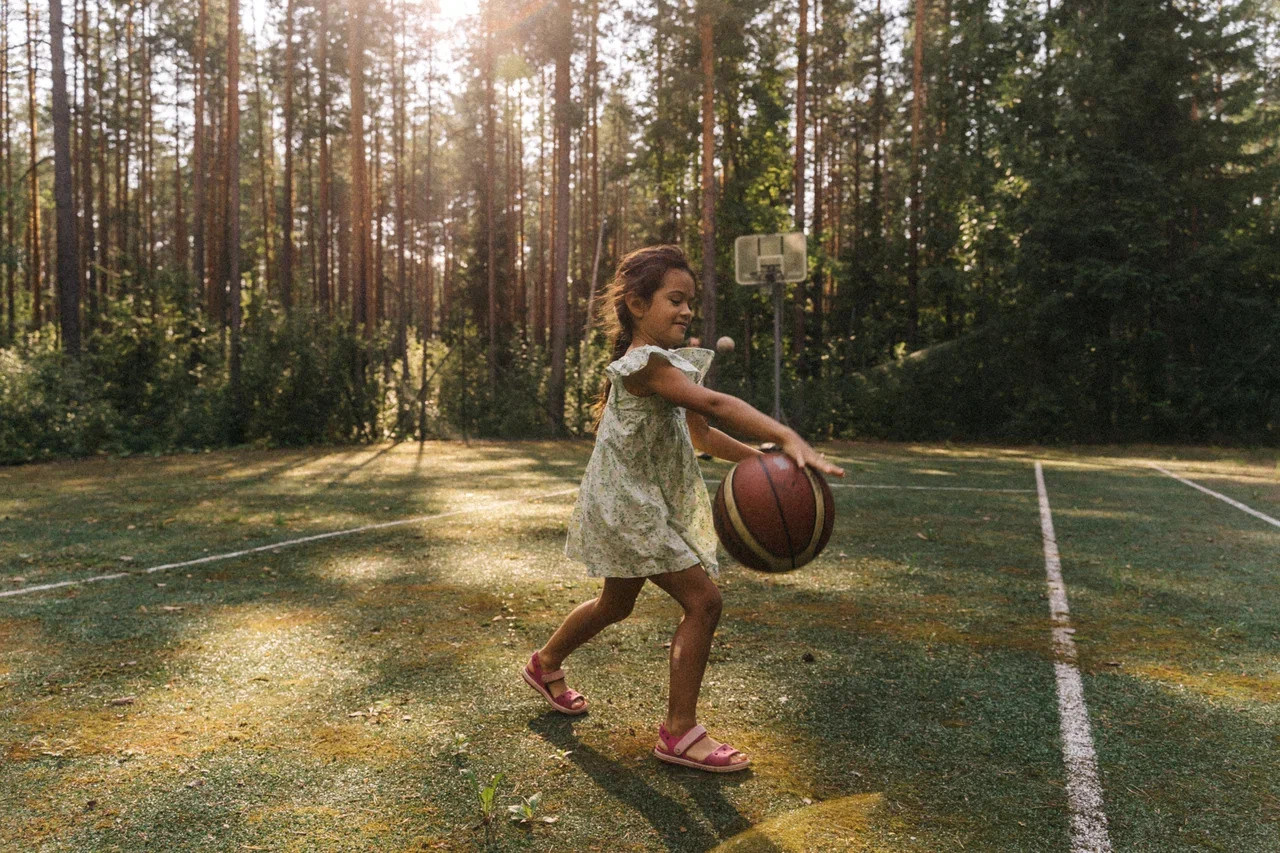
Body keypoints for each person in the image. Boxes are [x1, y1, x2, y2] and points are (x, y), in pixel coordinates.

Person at [522, 244, 844, 773]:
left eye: (690, 301)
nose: (687, 310)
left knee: (614, 605)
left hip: (643, 503)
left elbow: (702, 433)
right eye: (675, 299)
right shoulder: (644, 365)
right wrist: (785, 435)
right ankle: (678, 732)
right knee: (705, 602)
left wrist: (767, 464)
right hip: (628, 505)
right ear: (636, 304)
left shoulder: (669, 366)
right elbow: (716, 404)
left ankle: (546, 662)